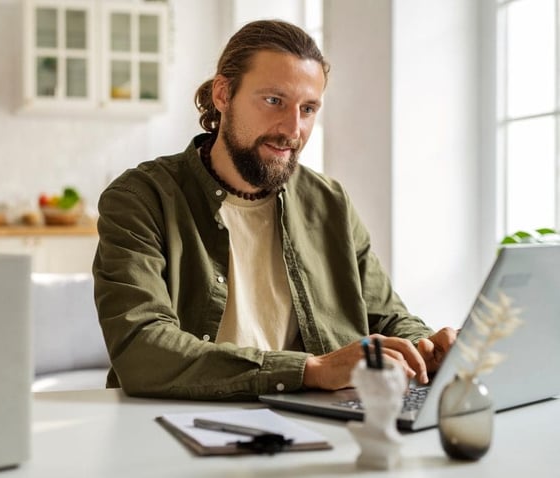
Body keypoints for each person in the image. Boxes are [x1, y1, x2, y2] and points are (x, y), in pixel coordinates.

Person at [92, 19, 456, 400]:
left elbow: (386, 316)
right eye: (274, 101)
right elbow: (142, 348)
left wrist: (428, 347)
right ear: (223, 94)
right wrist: (310, 370)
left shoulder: (330, 202)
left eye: (308, 108)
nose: (292, 128)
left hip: (317, 421)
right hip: (178, 421)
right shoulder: (140, 198)